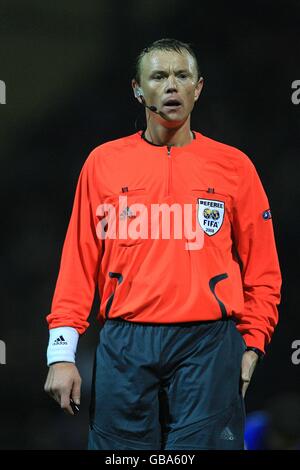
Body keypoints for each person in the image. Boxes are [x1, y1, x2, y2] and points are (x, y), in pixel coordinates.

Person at [44, 38, 282, 450]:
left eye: (182, 76)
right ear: (138, 89)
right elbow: (78, 263)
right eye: (158, 76)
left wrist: (252, 345)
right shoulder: (103, 163)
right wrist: (61, 354)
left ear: (198, 88)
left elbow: (263, 271)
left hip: (208, 348)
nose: (171, 86)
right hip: (124, 348)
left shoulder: (234, 167)